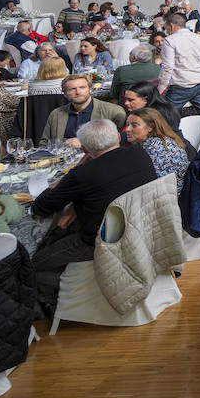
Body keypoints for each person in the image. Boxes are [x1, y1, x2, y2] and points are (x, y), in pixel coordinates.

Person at [29, 120, 159, 313]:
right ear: (117, 137)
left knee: (33, 264)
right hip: (144, 229)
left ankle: (60, 301)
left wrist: (71, 174)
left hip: (103, 244)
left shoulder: (83, 174)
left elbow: (41, 206)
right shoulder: (139, 154)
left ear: (83, 149)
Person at [157, 13, 200, 140]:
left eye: (166, 28)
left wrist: (161, 87)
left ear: (171, 26)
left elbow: (167, 67)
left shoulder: (170, 41)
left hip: (180, 87)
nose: (166, 31)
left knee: (165, 117)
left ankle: (170, 147)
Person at [43, 74, 127, 145]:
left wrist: (84, 143)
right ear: (64, 93)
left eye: (82, 87)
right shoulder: (56, 114)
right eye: (72, 89)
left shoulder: (114, 112)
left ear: (90, 89)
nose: (78, 92)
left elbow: (120, 142)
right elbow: (44, 143)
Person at [124, 108, 190, 193]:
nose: (127, 129)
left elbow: (142, 182)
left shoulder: (154, 148)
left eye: (134, 125)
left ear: (150, 127)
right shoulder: (163, 140)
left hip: (170, 198)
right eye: (127, 124)